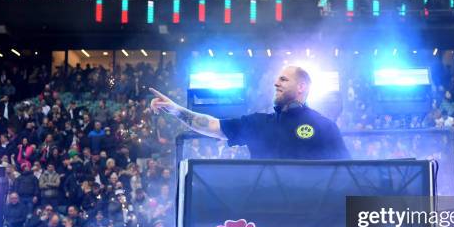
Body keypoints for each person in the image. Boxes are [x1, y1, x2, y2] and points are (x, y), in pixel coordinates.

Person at [149, 66, 350, 160]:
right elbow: (212, 125)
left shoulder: (324, 126)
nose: (276, 83)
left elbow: (347, 174)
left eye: (283, 79)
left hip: (313, 218)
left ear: (301, 87)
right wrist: (174, 109)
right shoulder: (258, 123)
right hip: (264, 216)